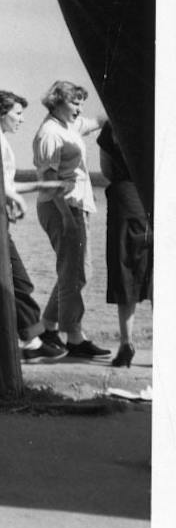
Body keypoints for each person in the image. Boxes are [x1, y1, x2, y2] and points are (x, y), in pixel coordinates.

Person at [31, 79, 108, 359]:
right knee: (76, 271)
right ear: (57, 102)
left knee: (73, 271)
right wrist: (66, 217)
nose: (78, 108)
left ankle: (47, 326)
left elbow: (95, 122)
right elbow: (50, 180)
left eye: (80, 103)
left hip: (76, 205)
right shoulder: (50, 133)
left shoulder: (69, 125)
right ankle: (74, 336)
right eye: (74, 102)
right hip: (62, 206)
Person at [0, 90, 64, 362]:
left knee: (17, 281)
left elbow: (7, 185)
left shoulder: (0, 140)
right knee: (19, 280)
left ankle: (31, 339)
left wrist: (41, 185)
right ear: (2, 113)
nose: (22, 120)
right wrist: (15, 200)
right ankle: (32, 342)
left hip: (1, 221)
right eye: (18, 113)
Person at [97, 119, 151, 369]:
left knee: (125, 271)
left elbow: (107, 170)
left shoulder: (113, 124)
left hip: (125, 201)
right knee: (158, 277)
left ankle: (126, 344)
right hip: (155, 198)